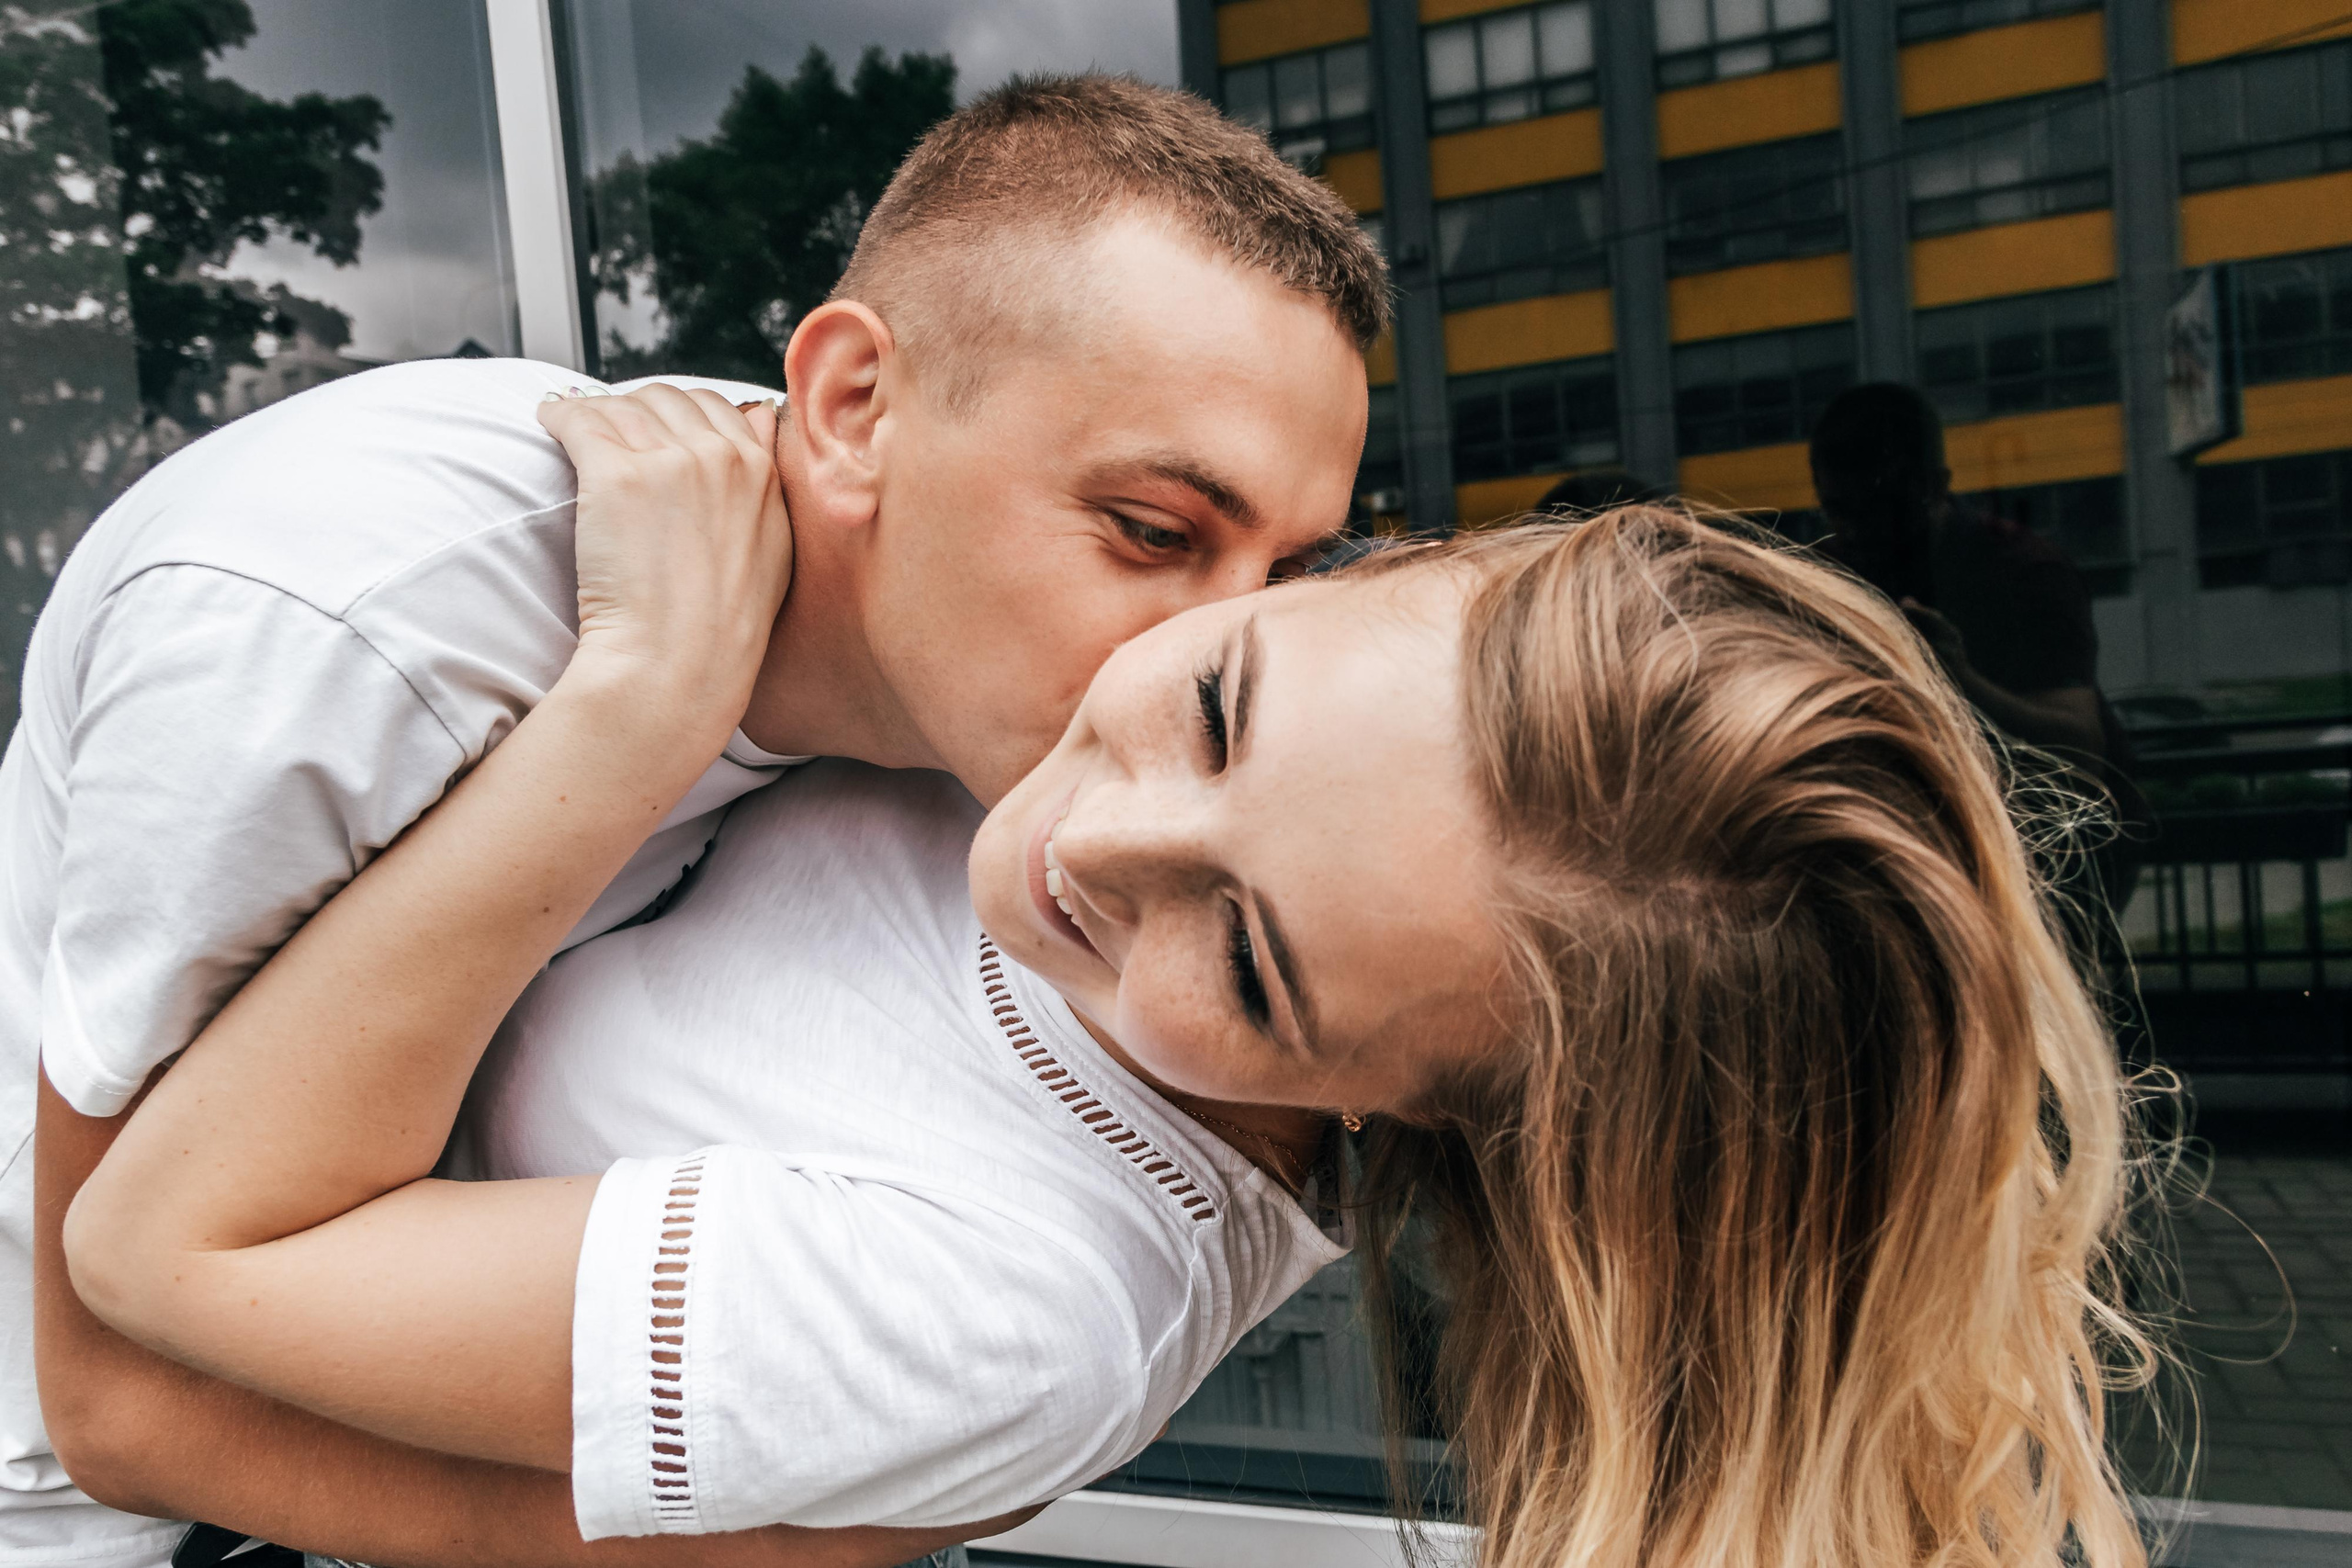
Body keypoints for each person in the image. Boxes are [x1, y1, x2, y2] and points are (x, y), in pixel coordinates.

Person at [70, 496, 2159, 1568]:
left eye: (1251, 967)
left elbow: (145, 1337)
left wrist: (628, 702)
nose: (1094, 838)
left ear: (1405, 1107)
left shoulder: (1007, 1306)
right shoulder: (1057, 632)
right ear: (1357, 560)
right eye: (1225, 706)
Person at [10, 75, 1385, 1568]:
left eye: (1285, 570)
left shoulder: (986, 719)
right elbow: (119, 1403)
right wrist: (639, 707)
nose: (1213, 645)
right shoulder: (349, 629)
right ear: (853, 408)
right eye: (1154, 531)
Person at [1807, 383, 2149, 931]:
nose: (1857, 534)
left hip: (2054, 853)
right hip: (1968, 845)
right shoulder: (1843, 570)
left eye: (1880, 511)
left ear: (1933, 487)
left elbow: (2079, 748)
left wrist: (1956, 678)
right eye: (1839, 512)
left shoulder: (2023, 572)